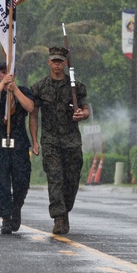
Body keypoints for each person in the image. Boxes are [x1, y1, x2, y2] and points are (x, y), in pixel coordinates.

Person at [30, 46, 90, 235]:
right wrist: (35, 141)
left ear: (65, 63)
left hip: (72, 141)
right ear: (48, 63)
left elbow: (86, 109)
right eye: (54, 61)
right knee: (55, 178)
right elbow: (33, 115)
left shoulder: (76, 86)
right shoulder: (39, 87)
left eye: (60, 61)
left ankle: (65, 210)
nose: (57, 64)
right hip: (50, 141)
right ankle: (59, 218)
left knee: (71, 181)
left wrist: (82, 114)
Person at [0, 62, 37, 233]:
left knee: (21, 180)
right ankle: (6, 218)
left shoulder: (24, 91)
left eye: (9, 72)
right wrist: (2, 86)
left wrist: (14, 89)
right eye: (2, 72)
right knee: (1, 183)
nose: (6, 75)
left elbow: (30, 107)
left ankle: (16, 207)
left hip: (18, 142)